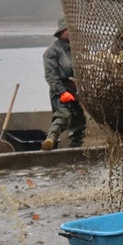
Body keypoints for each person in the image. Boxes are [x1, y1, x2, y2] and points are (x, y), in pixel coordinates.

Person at [42, 17, 86, 150]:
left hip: (76, 91)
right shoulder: (52, 51)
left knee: (79, 124)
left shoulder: (78, 50)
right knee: (64, 114)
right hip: (60, 90)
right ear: (60, 32)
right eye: (65, 29)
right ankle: (50, 140)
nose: (68, 32)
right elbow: (50, 75)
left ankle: (76, 151)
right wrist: (62, 92)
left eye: (70, 29)